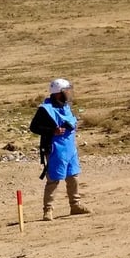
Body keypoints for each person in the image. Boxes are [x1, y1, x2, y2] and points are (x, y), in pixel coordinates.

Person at [29, 78, 90, 221]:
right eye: (66, 91)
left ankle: (75, 205)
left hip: (70, 148)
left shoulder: (66, 106)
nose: (69, 93)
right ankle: (48, 210)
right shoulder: (45, 109)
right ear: (58, 93)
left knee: (73, 177)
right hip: (55, 148)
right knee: (54, 180)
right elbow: (34, 127)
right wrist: (52, 131)